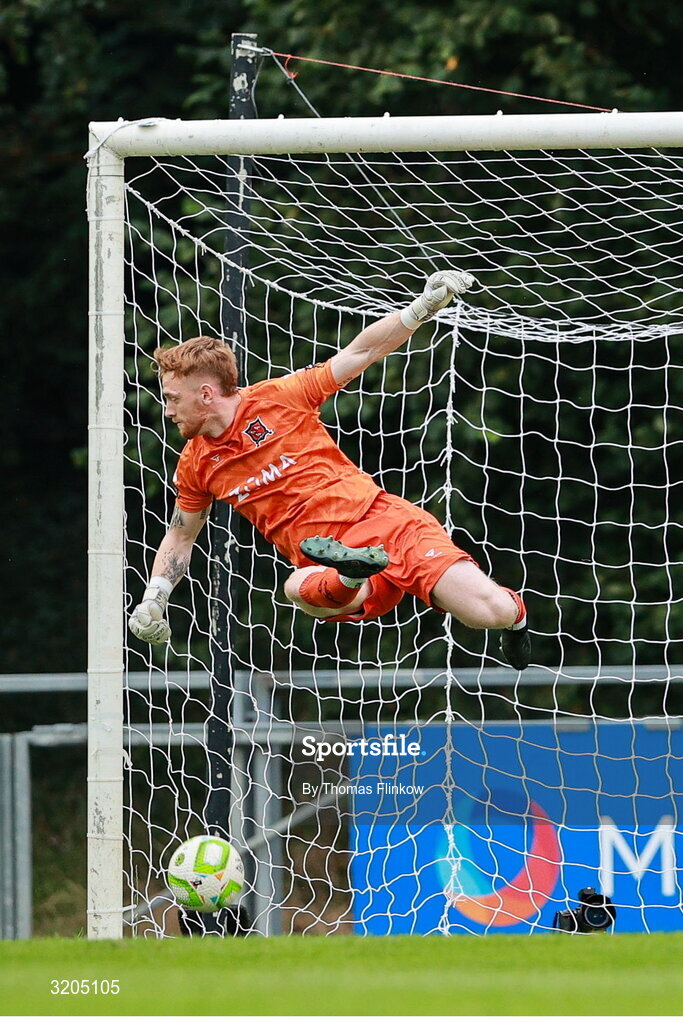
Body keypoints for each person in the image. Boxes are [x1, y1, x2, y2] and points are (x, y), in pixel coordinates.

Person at [129, 270, 531, 670]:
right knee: (296, 587)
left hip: (387, 523)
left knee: (490, 611)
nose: (166, 410)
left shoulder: (279, 398)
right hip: (327, 566)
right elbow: (181, 535)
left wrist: (422, 307)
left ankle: (518, 620)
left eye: (171, 398)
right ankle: (353, 571)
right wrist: (154, 597)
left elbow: (359, 354)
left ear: (205, 394)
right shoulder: (196, 464)